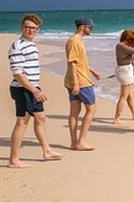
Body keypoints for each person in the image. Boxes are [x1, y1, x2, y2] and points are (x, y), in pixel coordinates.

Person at [7, 14, 63, 168]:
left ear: (38, 29)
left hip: (32, 87)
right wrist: (34, 90)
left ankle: (47, 151)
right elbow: (17, 73)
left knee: (40, 118)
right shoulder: (17, 46)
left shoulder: (30, 44)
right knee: (22, 123)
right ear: (22, 27)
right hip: (23, 88)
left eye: (34, 28)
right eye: (27, 27)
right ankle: (13, 160)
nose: (30, 30)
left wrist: (35, 89)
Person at [65, 16, 102, 150]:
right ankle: (80, 142)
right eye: (90, 27)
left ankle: (74, 142)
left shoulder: (78, 40)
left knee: (74, 112)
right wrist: (76, 83)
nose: (91, 29)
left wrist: (92, 71)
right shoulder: (74, 41)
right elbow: (72, 63)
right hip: (80, 81)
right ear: (82, 27)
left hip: (75, 80)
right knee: (91, 109)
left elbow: (80, 61)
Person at [113, 29, 134, 123]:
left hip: (125, 70)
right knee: (124, 96)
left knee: (130, 95)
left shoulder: (122, 46)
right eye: (132, 39)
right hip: (125, 72)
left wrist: (133, 58)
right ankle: (117, 118)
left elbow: (124, 58)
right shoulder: (121, 45)